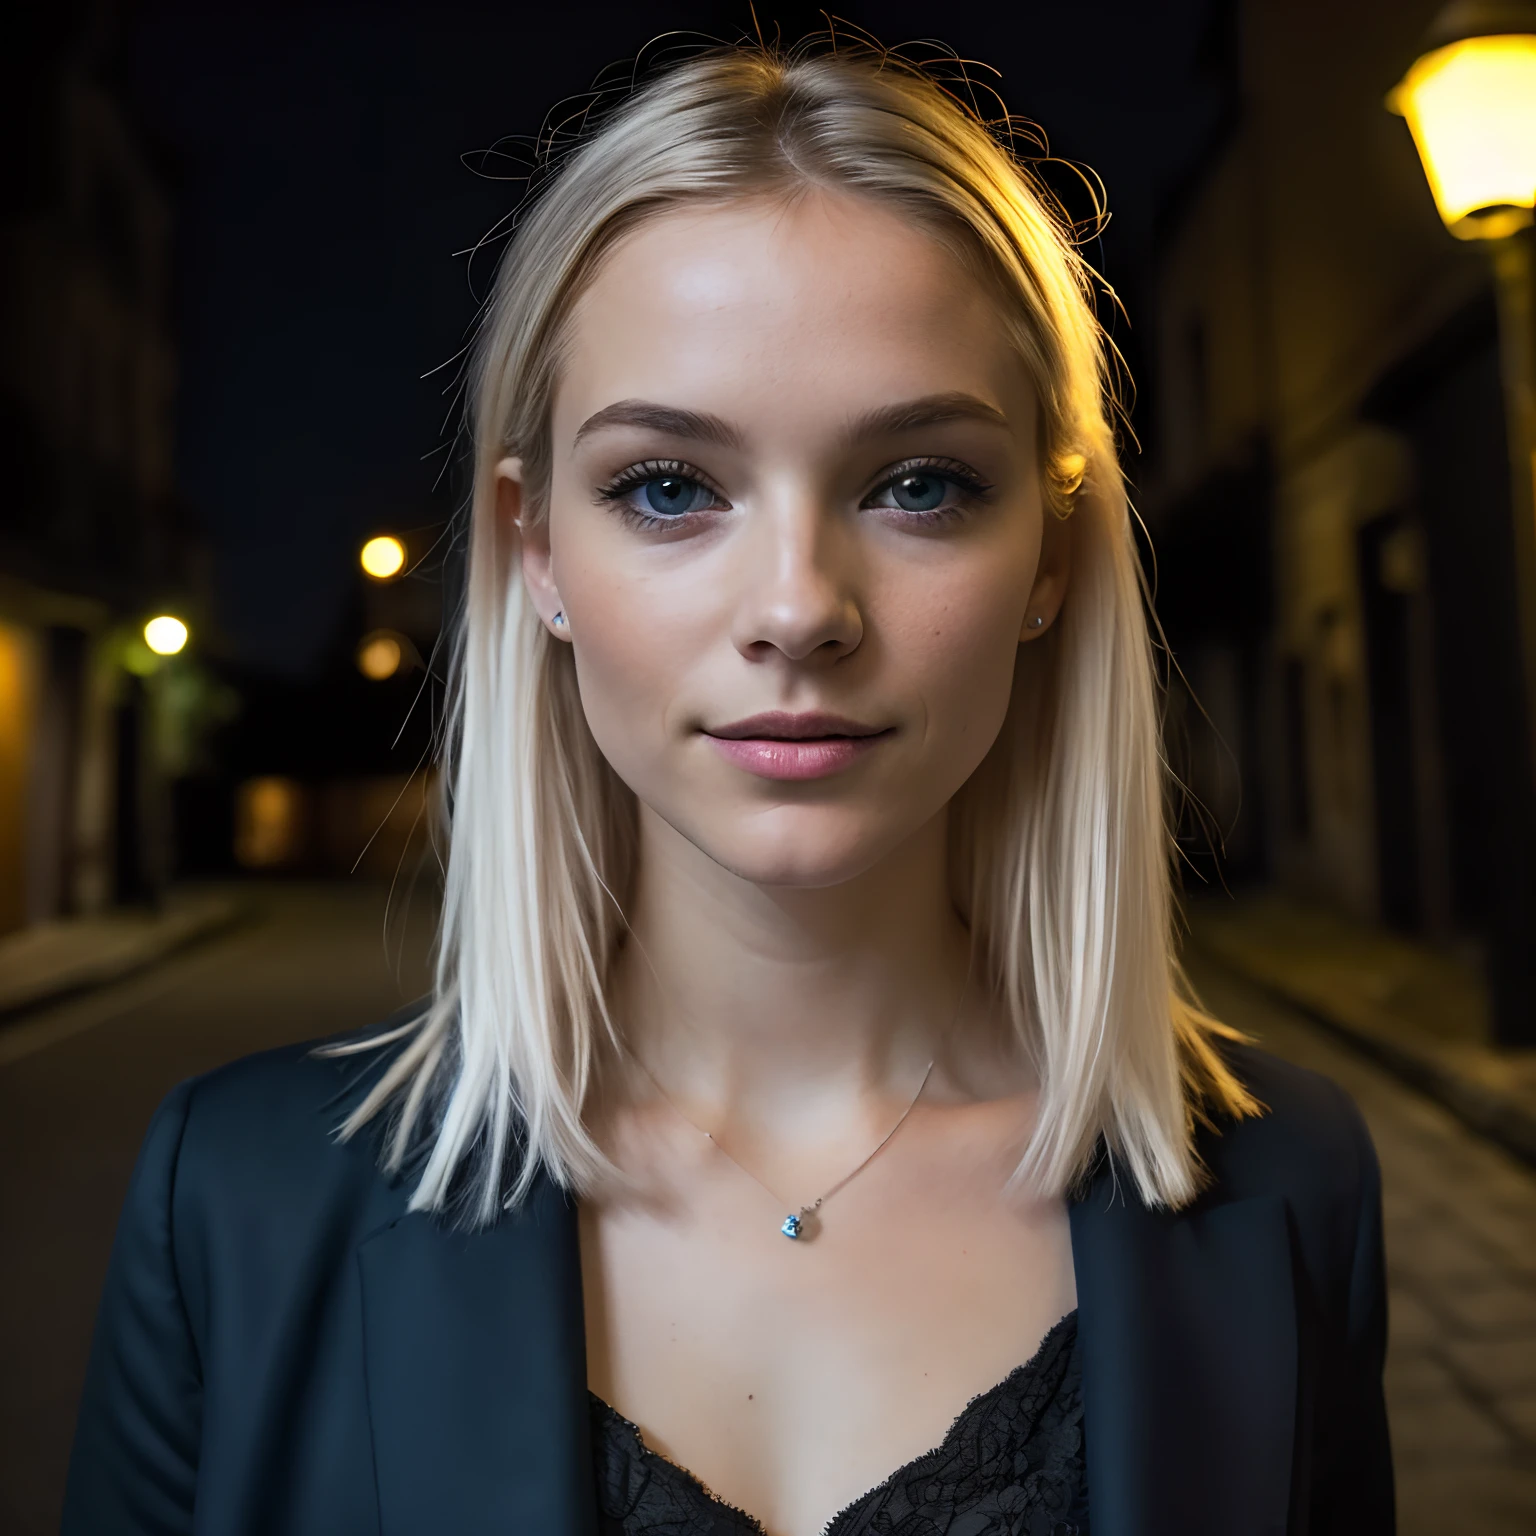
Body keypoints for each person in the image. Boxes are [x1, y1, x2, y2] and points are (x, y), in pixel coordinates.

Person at [62, 35, 1393, 1536]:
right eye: (670, 487)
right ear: (534, 553)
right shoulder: (230, 1207)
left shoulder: (1294, 1190)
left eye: (919, 483)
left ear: (1055, 555)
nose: (798, 606)